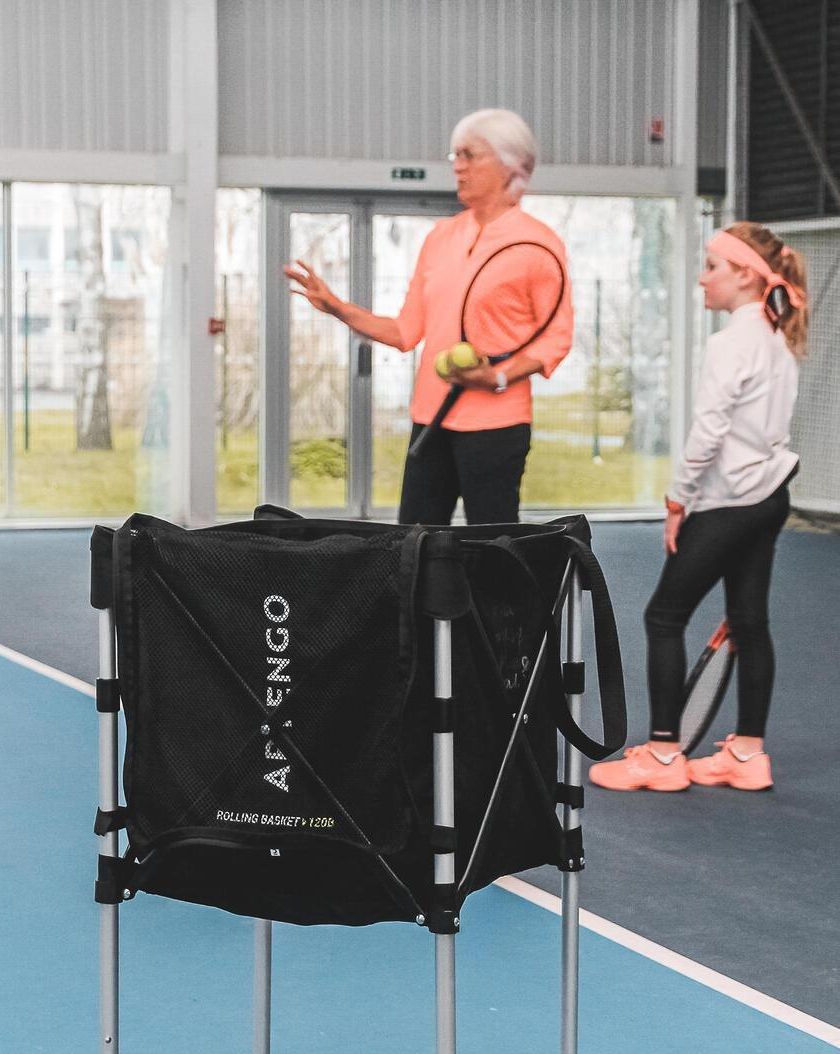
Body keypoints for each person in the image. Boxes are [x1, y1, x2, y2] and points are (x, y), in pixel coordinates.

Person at [589, 223, 808, 794]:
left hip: (727, 503)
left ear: (744, 274)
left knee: (663, 617)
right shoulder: (778, 337)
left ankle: (663, 757)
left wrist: (677, 498)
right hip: (769, 496)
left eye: (712, 266)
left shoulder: (730, 342)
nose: (701, 278)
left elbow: (709, 432)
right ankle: (747, 754)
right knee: (749, 620)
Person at [284, 108, 573, 525]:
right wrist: (338, 308)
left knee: (491, 553)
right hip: (430, 419)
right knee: (414, 546)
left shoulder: (539, 244)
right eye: (455, 155)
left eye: (469, 155)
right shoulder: (441, 237)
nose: (457, 166)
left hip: (497, 425)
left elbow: (556, 339)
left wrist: (498, 377)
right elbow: (405, 331)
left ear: (510, 164)